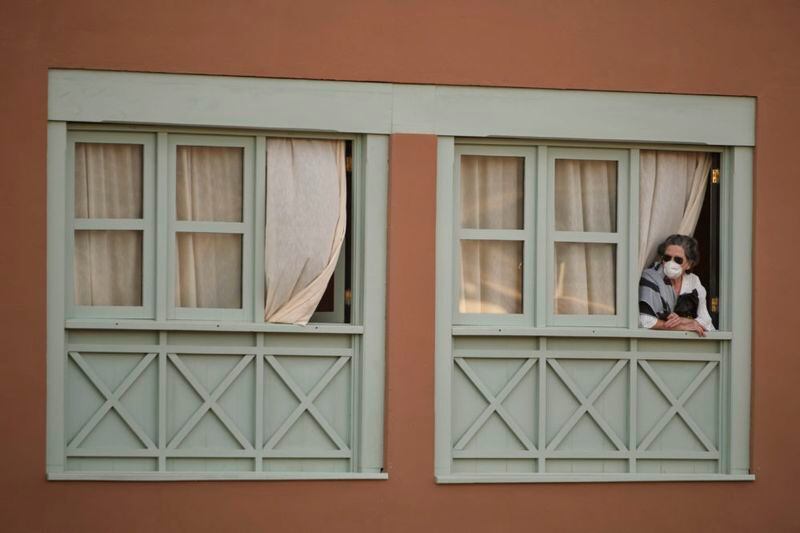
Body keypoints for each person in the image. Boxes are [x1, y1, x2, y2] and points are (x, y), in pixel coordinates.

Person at [639, 234, 715, 336]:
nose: (671, 263)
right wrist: (681, 326)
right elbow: (645, 320)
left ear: (689, 264)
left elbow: (706, 322)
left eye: (678, 260)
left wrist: (681, 320)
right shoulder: (651, 277)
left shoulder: (693, 281)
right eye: (667, 258)